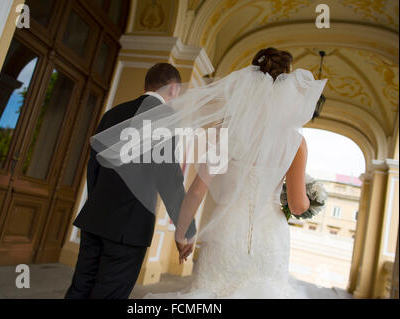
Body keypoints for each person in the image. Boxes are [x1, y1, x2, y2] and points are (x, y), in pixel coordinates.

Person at [91, 47, 327, 298]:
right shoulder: (295, 142)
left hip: (227, 230)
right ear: (285, 86)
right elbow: (298, 205)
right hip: (271, 239)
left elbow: (196, 192)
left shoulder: (226, 132)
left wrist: (183, 234)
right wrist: (307, 201)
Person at [64, 63, 197, 299]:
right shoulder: (166, 119)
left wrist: (97, 201)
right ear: (174, 88)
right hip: (129, 227)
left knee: (80, 286)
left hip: (95, 217)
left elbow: (94, 165)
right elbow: (169, 179)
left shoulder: (113, 113)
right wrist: (186, 228)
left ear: (147, 85)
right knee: (109, 294)